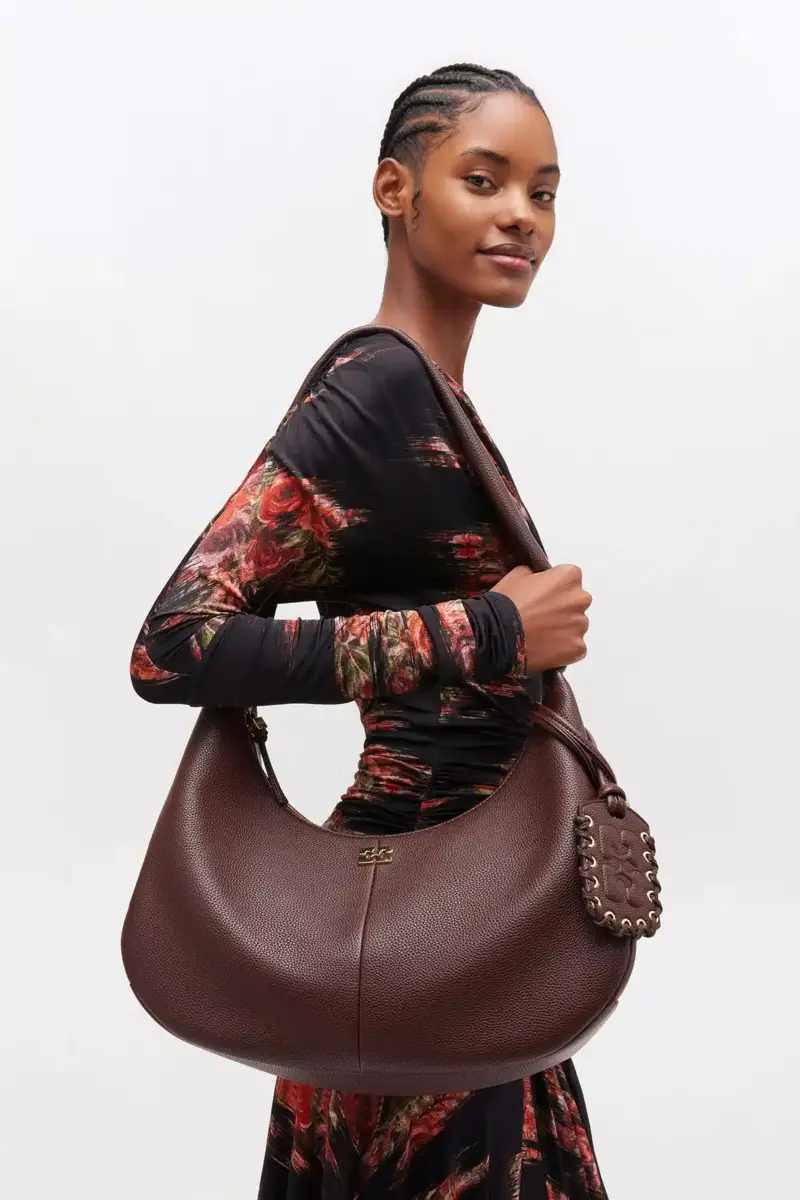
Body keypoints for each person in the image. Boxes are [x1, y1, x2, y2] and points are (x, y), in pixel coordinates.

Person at [130, 61, 601, 1200]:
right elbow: (175, 643)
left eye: (542, 192)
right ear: (394, 189)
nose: (521, 216)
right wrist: (488, 629)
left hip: (464, 916)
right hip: (418, 924)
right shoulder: (375, 388)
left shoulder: (427, 393)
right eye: (482, 179)